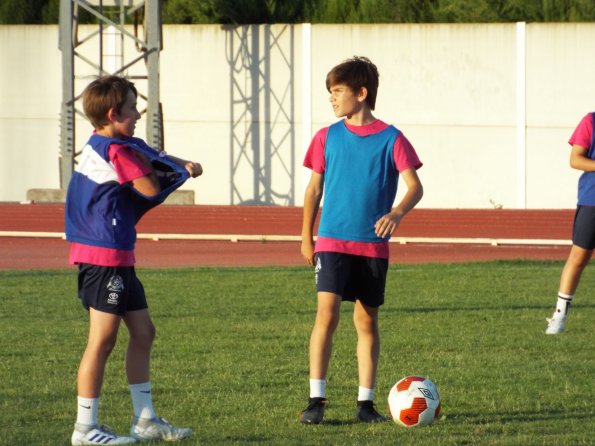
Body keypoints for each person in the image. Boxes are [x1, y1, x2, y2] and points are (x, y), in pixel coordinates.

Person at [65, 75, 203, 444]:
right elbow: (148, 187)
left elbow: (147, 156)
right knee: (102, 340)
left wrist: (178, 162)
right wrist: (180, 174)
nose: (138, 113)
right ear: (113, 113)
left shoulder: (108, 142)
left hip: (118, 257)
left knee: (144, 332)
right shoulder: (117, 151)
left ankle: (145, 421)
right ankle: (85, 429)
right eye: (132, 108)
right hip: (104, 258)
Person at [299, 56, 424, 424]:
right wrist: (306, 237)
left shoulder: (392, 138)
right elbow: (313, 190)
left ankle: (365, 404)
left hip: (371, 247)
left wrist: (397, 212)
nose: (332, 99)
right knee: (327, 314)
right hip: (332, 243)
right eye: (330, 92)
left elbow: (415, 186)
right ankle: (316, 401)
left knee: (367, 321)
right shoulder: (326, 137)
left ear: (362, 93)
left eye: (338, 91)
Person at [546, 112, 595, 335]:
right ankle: (559, 315)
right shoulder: (591, 121)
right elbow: (575, 159)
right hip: (592, 200)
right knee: (578, 257)